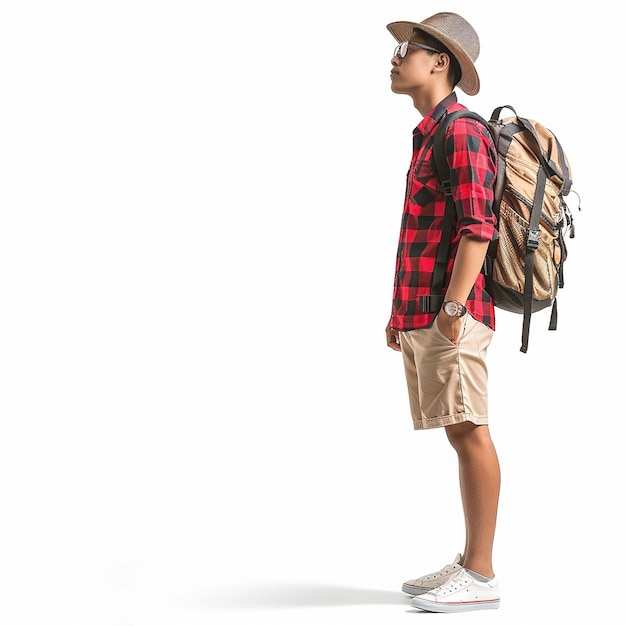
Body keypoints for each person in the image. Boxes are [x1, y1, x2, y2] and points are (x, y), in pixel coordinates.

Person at [385, 12, 501, 613]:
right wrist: (400, 313)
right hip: (428, 310)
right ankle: (469, 563)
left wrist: (454, 306)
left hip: (454, 311)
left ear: (440, 63)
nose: (395, 56)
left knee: (469, 428)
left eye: (408, 48)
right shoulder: (430, 132)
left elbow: (477, 231)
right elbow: (423, 233)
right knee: (459, 430)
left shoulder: (459, 131)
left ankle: (480, 575)